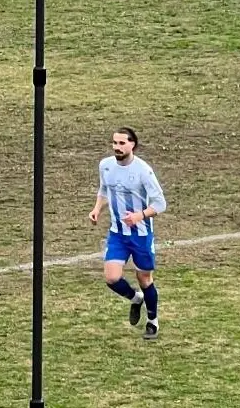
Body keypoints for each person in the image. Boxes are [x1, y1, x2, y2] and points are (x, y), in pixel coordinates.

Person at [89, 127, 167, 341]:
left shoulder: (143, 170)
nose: (117, 147)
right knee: (112, 277)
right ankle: (135, 299)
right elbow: (104, 191)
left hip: (140, 235)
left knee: (144, 278)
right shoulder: (105, 166)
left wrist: (140, 216)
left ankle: (153, 321)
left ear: (133, 145)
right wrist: (97, 209)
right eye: (115, 143)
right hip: (118, 233)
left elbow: (160, 203)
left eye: (122, 143)